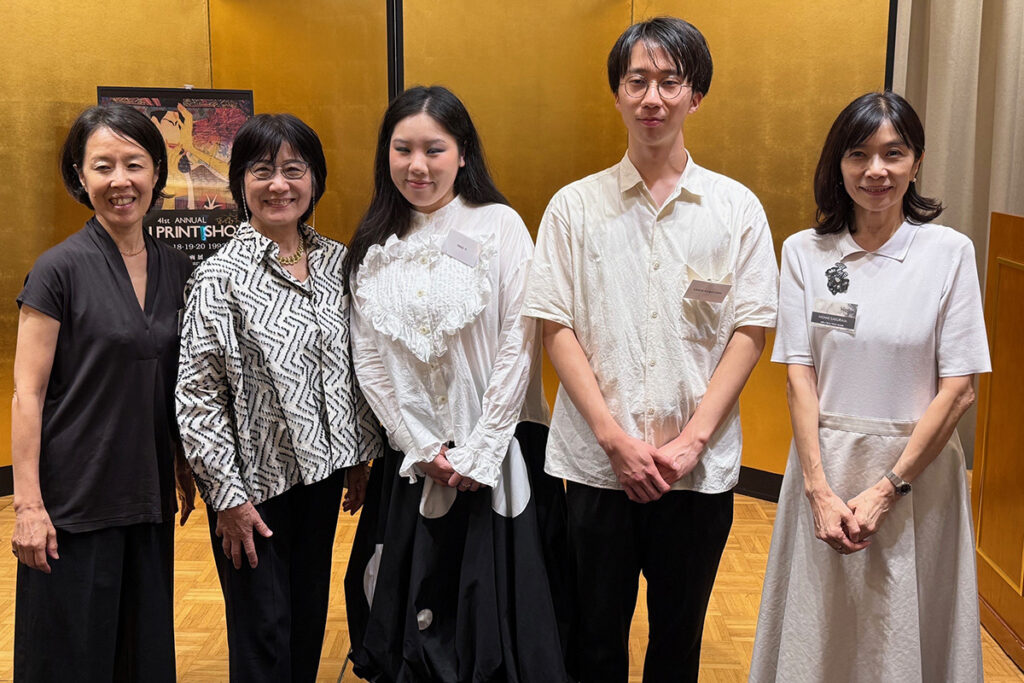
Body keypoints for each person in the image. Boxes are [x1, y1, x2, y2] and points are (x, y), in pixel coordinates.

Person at [522, 17, 779, 683]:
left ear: (697, 95)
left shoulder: (736, 208)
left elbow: (750, 330)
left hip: (695, 471)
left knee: (678, 642)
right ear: (617, 93)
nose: (652, 98)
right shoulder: (574, 208)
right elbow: (555, 328)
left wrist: (693, 440)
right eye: (637, 81)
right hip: (596, 466)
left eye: (670, 81)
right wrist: (613, 439)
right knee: (593, 641)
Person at [748, 91, 991, 682]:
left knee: (904, 636)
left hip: (917, 476)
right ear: (838, 163)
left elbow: (959, 389)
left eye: (893, 153)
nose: (875, 170)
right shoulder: (805, 252)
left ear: (917, 162)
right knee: (820, 634)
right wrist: (818, 490)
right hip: (824, 471)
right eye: (858, 154)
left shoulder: (949, 253)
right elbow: (799, 376)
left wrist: (888, 489)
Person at [343, 85, 572, 683]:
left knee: (496, 628)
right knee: (418, 623)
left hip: (500, 454)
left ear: (463, 153)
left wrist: (483, 447)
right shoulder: (373, 244)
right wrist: (420, 446)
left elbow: (520, 339)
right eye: (402, 149)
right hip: (417, 461)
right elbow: (369, 359)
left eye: (434, 149)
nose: (417, 166)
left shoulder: (498, 225)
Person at [175, 113, 382, 682]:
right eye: (262, 170)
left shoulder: (339, 263)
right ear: (240, 182)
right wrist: (227, 498)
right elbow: (197, 399)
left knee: (307, 617)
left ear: (315, 179)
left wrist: (359, 458)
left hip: (322, 479)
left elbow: (355, 368)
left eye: (294, 169)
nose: (278, 185)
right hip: (253, 487)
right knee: (263, 632)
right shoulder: (219, 277)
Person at [10, 102, 195, 682]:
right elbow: (26, 394)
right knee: (70, 660)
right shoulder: (57, 270)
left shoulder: (177, 268)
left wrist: (183, 460)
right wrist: (28, 507)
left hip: (146, 494)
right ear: (80, 175)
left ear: (157, 172)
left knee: (141, 657)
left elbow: (175, 380)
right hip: (73, 500)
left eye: (134, 164)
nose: (121, 181)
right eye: (103, 166)